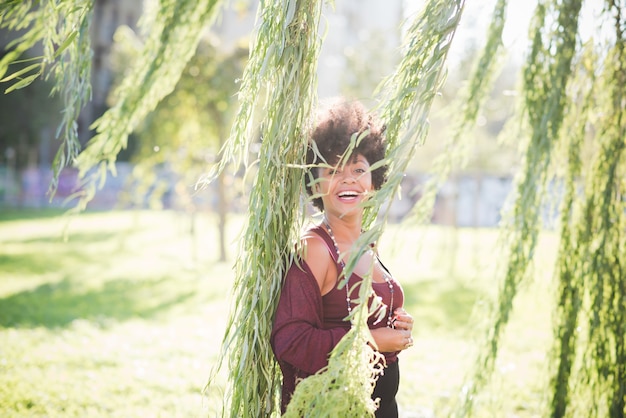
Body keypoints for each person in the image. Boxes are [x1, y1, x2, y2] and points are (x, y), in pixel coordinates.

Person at [271, 98, 414, 417]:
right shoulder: (315, 248)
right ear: (315, 181)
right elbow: (290, 342)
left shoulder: (365, 243)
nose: (348, 179)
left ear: (374, 180)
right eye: (333, 170)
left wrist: (396, 324)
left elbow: (354, 316)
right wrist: (373, 340)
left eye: (359, 169)